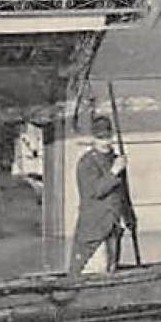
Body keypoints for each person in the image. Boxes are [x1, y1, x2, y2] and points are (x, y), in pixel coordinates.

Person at [67, 115, 130, 276]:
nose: (105, 142)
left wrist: (129, 216)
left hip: (113, 224)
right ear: (93, 139)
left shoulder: (116, 160)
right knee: (88, 270)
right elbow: (95, 191)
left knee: (111, 268)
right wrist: (114, 171)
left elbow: (123, 192)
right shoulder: (86, 163)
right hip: (94, 227)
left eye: (108, 137)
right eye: (101, 138)